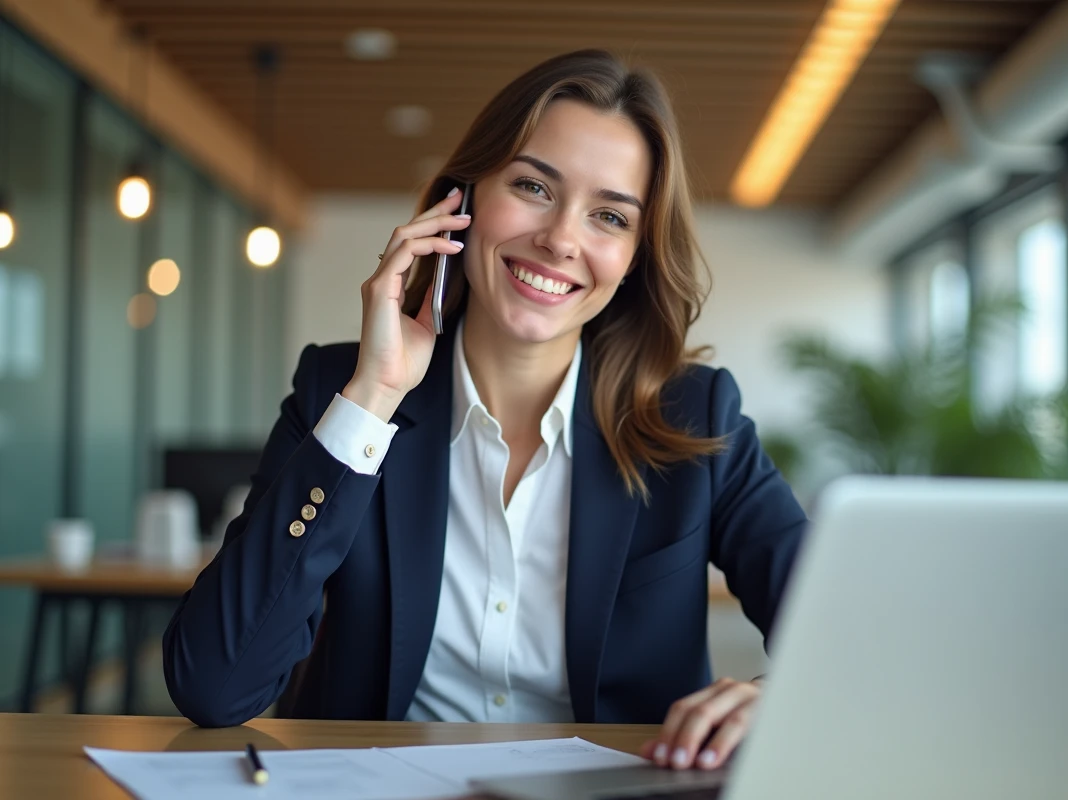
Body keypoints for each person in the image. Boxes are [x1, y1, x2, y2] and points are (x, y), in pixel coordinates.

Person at [163, 49, 807, 772]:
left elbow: (848, 625)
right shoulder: (337, 389)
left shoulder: (695, 415)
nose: (562, 239)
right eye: (534, 186)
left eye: (609, 216)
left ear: (635, 257)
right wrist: (373, 398)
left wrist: (781, 694)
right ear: (460, 203)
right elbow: (214, 685)